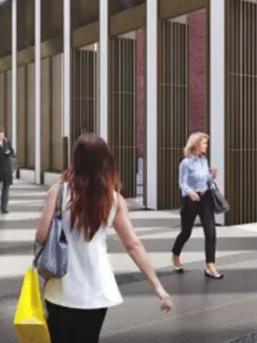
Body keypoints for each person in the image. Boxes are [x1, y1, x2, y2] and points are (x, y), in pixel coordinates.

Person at [36, 133, 172, 343]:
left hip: (60, 289)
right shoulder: (113, 199)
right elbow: (133, 244)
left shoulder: (59, 192)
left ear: (76, 160)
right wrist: (157, 285)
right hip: (97, 290)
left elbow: (41, 236)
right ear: (104, 161)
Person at [171, 132, 222, 279]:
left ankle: (210, 265)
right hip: (191, 201)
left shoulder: (204, 160)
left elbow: (206, 181)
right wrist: (190, 192)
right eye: (204, 143)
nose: (206, 145)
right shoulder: (186, 163)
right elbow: (182, 183)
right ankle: (175, 254)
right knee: (186, 233)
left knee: (211, 232)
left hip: (205, 199)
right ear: (196, 144)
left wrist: (212, 176)